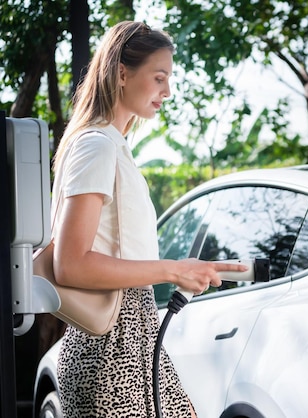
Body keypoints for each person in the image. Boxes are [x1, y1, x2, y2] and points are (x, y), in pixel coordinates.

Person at [51, 21, 246, 417]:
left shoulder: (110, 146)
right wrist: (174, 271)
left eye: (169, 79)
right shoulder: (97, 146)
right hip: (111, 349)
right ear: (122, 73)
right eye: (159, 77)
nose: (167, 91)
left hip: (134, 336)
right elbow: (69, 264)